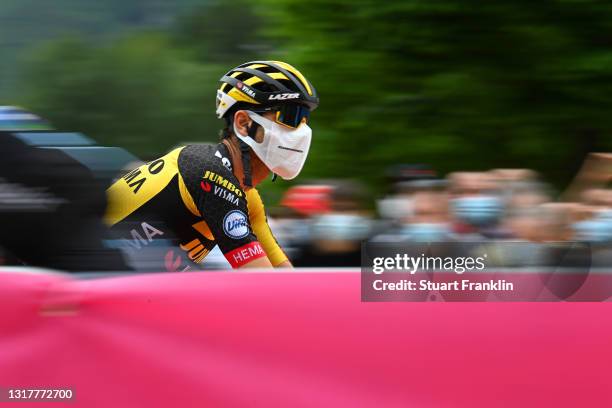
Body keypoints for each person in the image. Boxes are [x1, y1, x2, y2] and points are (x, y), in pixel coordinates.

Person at [105, 61, 319, 270]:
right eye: (290, 117)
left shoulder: (246, 197)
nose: (302, 132)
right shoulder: (209, 173)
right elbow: (264, 283)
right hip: (88, 277)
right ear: (243, 123)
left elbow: (285, 278)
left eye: (304, 120)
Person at [0, 107, 130, 271]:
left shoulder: (20, 167)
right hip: (106, 272)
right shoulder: (58, 161)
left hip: (52, 277)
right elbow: (101, 201)